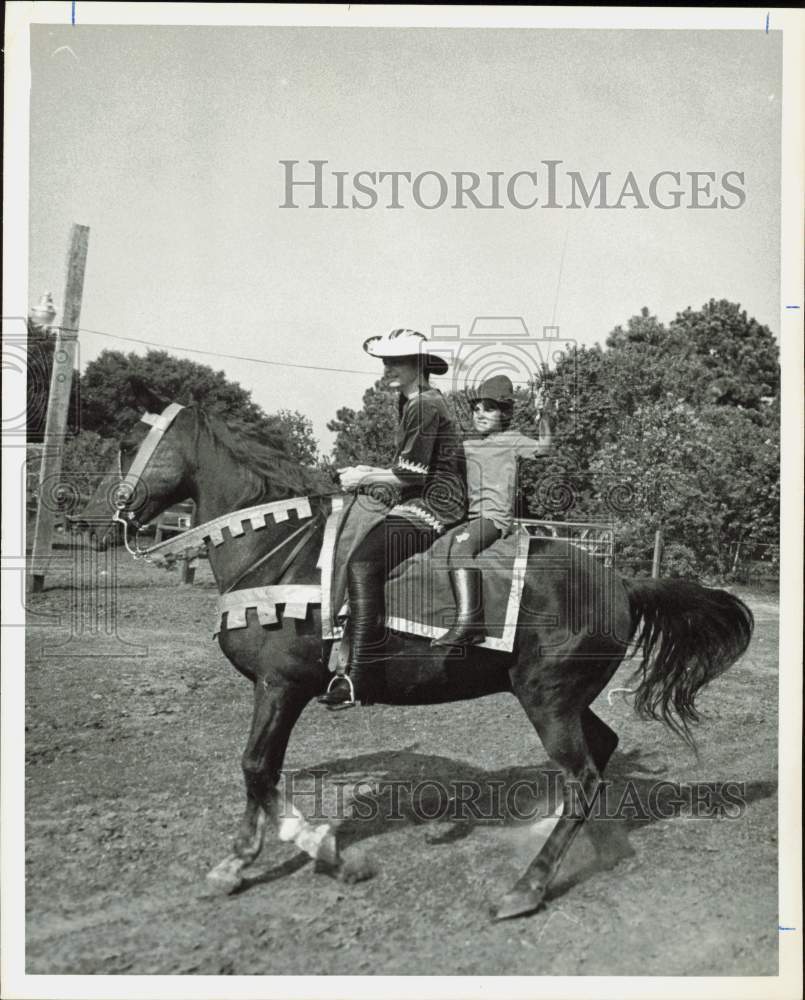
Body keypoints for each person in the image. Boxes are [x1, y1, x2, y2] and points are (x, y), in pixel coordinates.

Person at [318, 328, 467, 708]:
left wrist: (364, 476)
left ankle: (359, 677)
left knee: (362, 562)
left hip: (433, 507)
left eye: (396, 362)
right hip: (417, 499)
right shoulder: (412, 401)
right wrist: (369, 468)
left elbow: (413, 475)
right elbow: (407, 466)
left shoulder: (424, 406)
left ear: (418, 366)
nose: (388, 369)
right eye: (386, 362)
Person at [432, 374, 551, 647]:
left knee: (461, 550)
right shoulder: (468, 445)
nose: (480, 414)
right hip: (470, 518)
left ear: (505, 413)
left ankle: (470, 624)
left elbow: (544, 449)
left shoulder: (513, 440)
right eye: (476, 409)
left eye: (489, 408)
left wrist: (544, 415)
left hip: (493, 520)